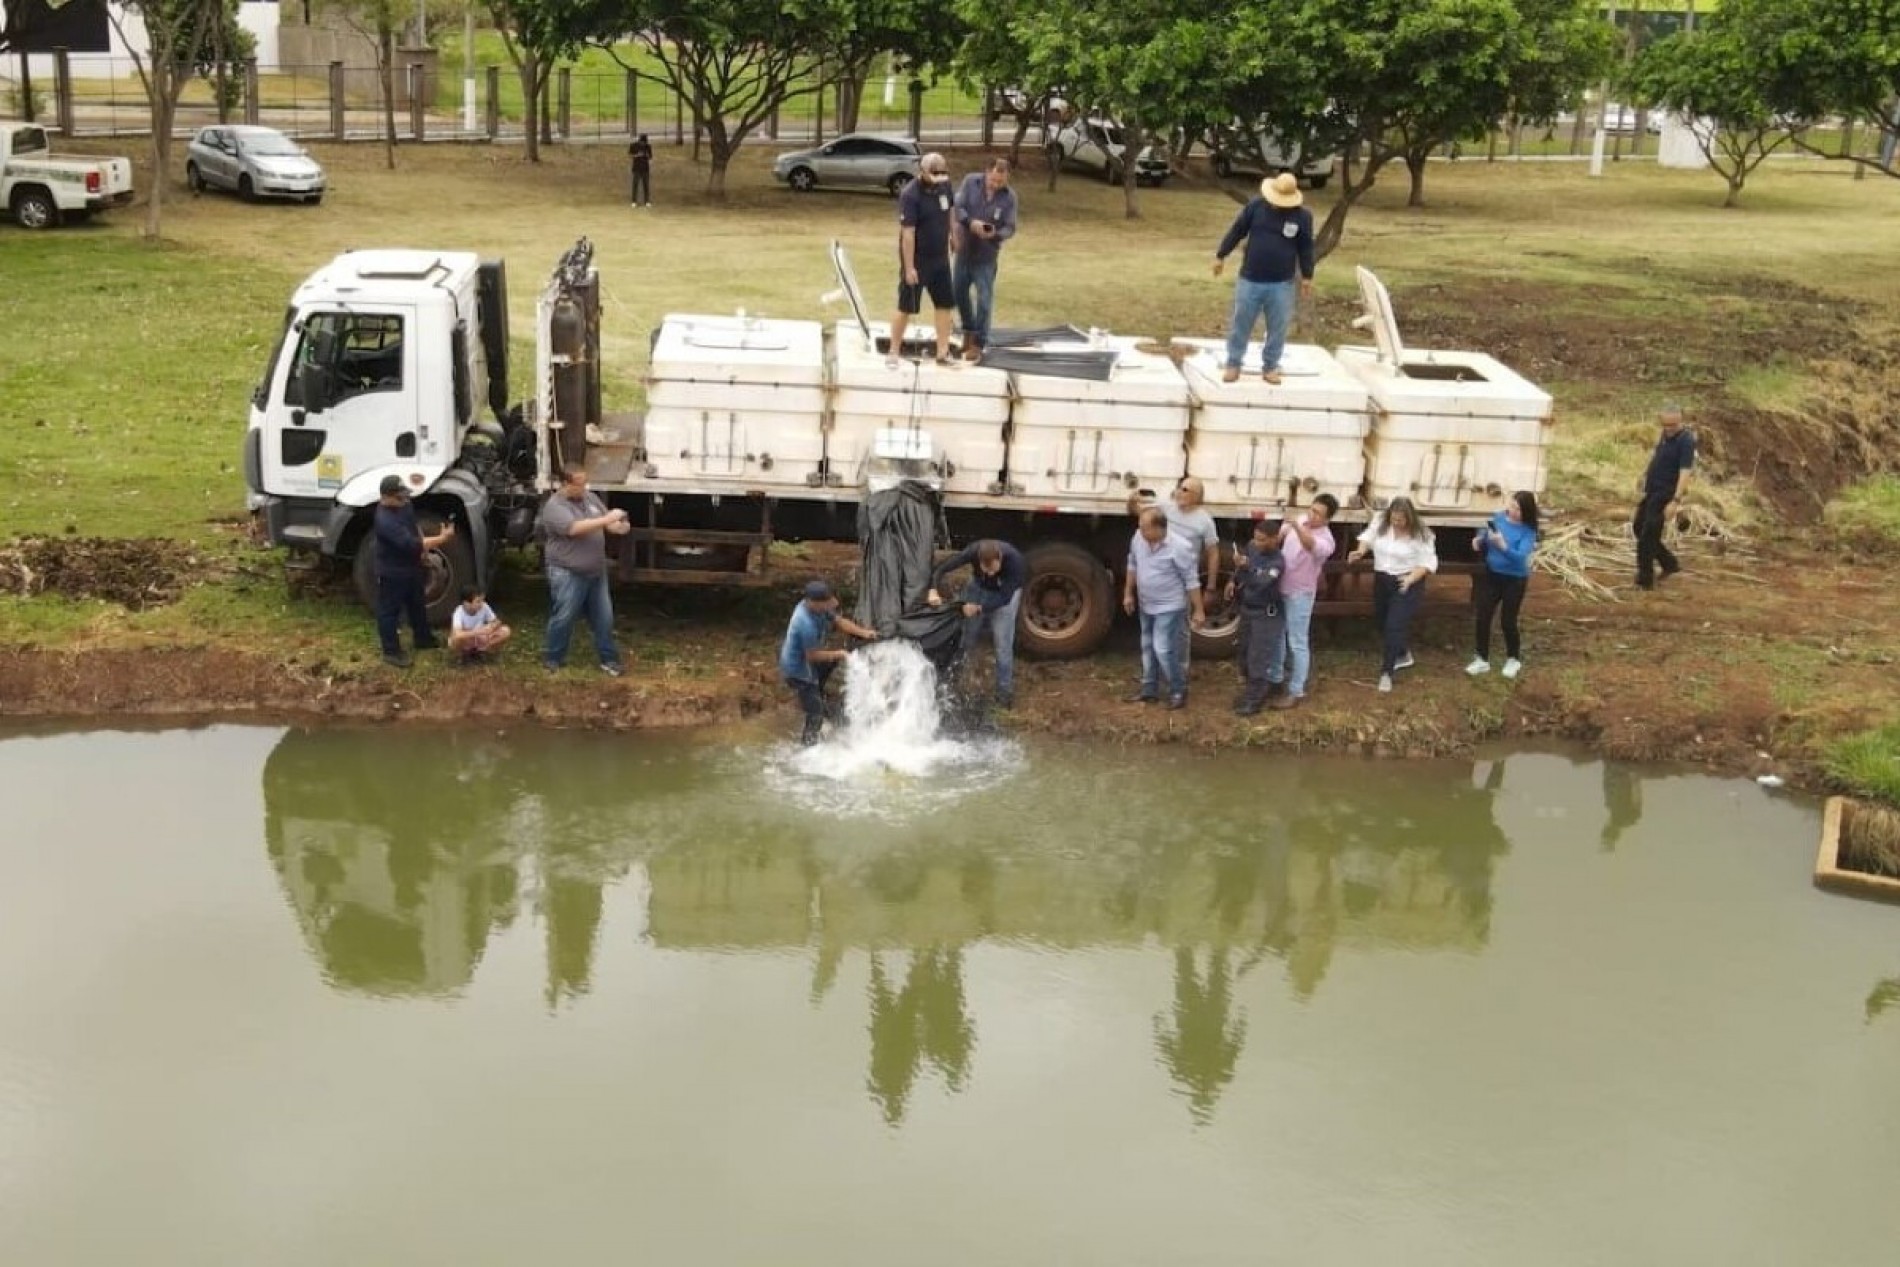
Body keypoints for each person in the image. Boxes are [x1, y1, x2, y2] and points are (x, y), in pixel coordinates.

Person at [1211, 171, 1315, 386]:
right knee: (1241, 323)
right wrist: (1221, 255)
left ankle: (1270, 367)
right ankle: (1233, 363)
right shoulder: (1255, 207)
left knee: (1278, 327)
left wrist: (1307, 276)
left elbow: (1306, 247)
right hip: (1250, 279)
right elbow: (1237, 230)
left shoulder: (1303, 217)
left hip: (1282, 282)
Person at [537, 466, 630, 676]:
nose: (583, 488)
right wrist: (607, 520)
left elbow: (606, 522)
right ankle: (553, 659)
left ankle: (609, 660)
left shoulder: (590, 498)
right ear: (565, 484)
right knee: (564, 616)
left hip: (596, 572)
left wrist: (618, 526)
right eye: (579, 484)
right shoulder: (554, 507)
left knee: (604, 618)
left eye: (585, 482)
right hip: (567, 572)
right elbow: (574, 529)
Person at [1345, 496, 1437, 694]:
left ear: (1409, 518)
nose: (1396, 523)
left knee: (1394, 626)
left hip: (1407, 581)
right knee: (1381, 621)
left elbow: (1427, 562)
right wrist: (1360, 552)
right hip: (1382, 580)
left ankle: (1386, 672)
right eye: (1394, 519)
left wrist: (1410, 579)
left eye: (1401, 520)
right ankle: (1402, 653)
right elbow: (1368, 538)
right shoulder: (1380, 521)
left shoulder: (1422, 534)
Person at [1123, 506, 1207, 710]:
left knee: (1162, 648)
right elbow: (1132, 564)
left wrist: (1198, 610)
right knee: (1147, 647)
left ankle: (1178, 689)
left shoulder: (1180, 547)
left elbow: (1191, 580)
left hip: (1170, 605)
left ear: (1160, 528)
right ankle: (1149, 690)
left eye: (1145, 528)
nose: (1141, 531)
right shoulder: (1138, 538)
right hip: (1146, 603)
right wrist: (1128, 593)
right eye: (1140, 527)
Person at [927, 537, 1027, 708]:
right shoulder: (972, 551)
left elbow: (1004, 598)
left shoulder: (1015, 562)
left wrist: (979, 608)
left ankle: (1004, 695)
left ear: (1000, 559)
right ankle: (951, 683)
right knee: (965, 638)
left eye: (994, 569)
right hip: (977, 589)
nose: (990, 573)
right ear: (978, 560)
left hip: (1003, 596)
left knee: (1002, 645)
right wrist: (933, 590)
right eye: (985, 569)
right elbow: (942, 568)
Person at [780, 579, 881, 745]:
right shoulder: (804, 623)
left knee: (830, 664)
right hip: (798, 670)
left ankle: (818, 697)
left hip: (810, 661)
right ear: (813, 603)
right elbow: (812, 656)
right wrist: (839, 654)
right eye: (827, 602)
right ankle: (808, 749)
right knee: (815, 713)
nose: (833, 604)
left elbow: (840, 622)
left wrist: (864, 633)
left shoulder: (819, 609)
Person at [372, 473, 453, 669]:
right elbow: (413, 544)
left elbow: (414, 526)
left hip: (412, 567)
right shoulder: (385, 521)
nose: (405, 499)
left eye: (405, 495)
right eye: (400, 496)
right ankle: (391, 651)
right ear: (387, 497)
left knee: (417, 604)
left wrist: (424, 554)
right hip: (393, 572)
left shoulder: (404, 504)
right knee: (389, 612)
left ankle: (423, 638)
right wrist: (442, 539)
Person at [1268, 492, 1338, 709]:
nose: (1312, 514)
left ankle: (1296, 690)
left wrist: (1298, 528)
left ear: (1327, 519)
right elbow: (1279, 539)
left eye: (1318, 513)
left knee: (1297, 641)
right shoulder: (1300, 520)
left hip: (1301, 593)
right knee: (1278, 636)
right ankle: (1275, 679)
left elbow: (1309, 545)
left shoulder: (1326, 540)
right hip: (1281, 587)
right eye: (1312, 509)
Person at [890, 152, 958, 369]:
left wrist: (953, 235)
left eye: (942, 173)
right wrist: (909, 267)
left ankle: (942, 351)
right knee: (906, 306)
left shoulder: (945, 185)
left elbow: (950, 211)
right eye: (934, 174)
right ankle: (894, 350)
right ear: (923, 172)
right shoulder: (911, 195)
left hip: (940, 257)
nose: (939, 177)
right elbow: (908, 233)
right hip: (918, 259)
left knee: (945, 304)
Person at [1467, 490, 1540, 680]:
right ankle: (1481, 657)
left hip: (1514, 579)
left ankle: (1513, 658)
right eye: (1512, 506)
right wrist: (1480, 539)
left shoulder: (1528, 531)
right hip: (1492, 575)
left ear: (1527, 512)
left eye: (1518, 509)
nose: (1513, 511)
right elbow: (1487, 531)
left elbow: (1520, 557)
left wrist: (1503, 547)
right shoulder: (1499, 517)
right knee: (1483, 616)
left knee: (1508, 621)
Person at [951, 157, 1018, 362]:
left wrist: (995, 233)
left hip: (986, 255)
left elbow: (1010, 227)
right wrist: (970, 223)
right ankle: (968, 331)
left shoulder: (1010, 197)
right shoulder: (971, 182)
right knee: (959, 293)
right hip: (964, 250)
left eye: (1001, 182)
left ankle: (979, 343)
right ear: (987, 171)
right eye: (994, 180)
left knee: (984, 300)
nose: (996, 185)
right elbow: (958, 207)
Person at [1226, 522, 1287, 716]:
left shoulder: (1277, 561)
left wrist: (1248, 567)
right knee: (1243, 654)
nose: (1257, 542)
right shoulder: (1252, 547)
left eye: (1262, 539)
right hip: (1247, 611)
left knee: (1257, 658)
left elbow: (1262, 582)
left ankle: (1254, 701)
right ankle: (1250, 692)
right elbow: (1242, 571)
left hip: (1265, 615)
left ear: (1274, 539)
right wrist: (1233, 580)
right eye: (1255, 537)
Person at [1634, 404, 1694, 590]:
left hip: (1665, 494)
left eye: (1672, 425)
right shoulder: (1665, 436)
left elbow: (1685, 472)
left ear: (1680, 420)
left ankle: (1645, 579)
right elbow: (1657, 456)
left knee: (1647, 536)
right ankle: (1669, 563)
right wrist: (1644, 475)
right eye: (1665, 425)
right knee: (1638, 527)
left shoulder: (1686, 441)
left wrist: (1675, 501)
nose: (1668, 429)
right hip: (1652, 490)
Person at [449, 586, 513, 665]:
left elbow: (496, 621)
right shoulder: (458, 612)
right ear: (466, 603)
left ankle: (482, 650)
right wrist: (479, 631)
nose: (481, 604)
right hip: (468, 639)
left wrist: (492, 627)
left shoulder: (484, 606)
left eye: (482, 600)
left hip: (481, 638)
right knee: (455, 639)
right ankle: (463, 654)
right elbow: (458, 634)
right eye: (478, 601)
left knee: (505, 631)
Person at [628, 133, 653, 207]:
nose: (643, 144)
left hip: (645, 168)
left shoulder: (648, 146)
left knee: (646, 185)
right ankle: (634, 201)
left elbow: (650, 156)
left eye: (644, 142)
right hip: (636, 168)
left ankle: (647, 201)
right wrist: (637, 155)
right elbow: (630, 155)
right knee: (635, 185)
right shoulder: (633, 145)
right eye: (642, 142)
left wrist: (646, 155)